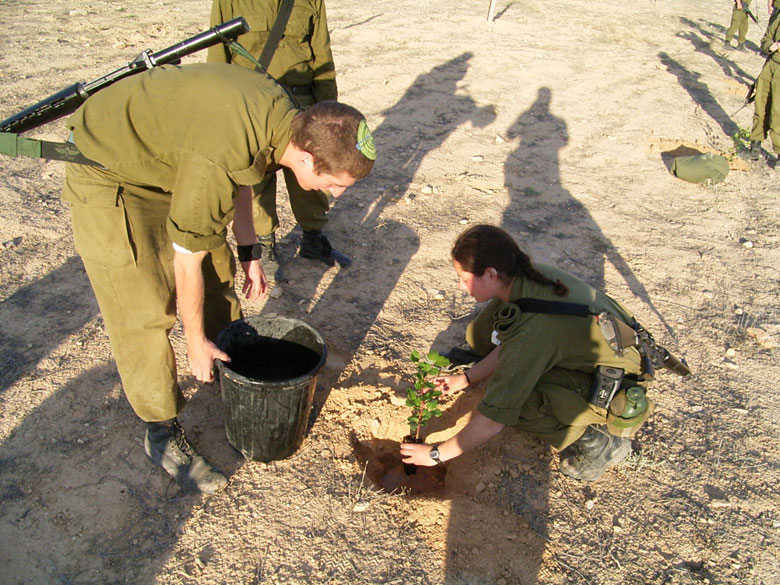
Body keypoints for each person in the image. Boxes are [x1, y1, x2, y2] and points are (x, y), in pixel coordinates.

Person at [63, 62, 375, 493]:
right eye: (335, 184)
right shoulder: (222, 150)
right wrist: (192, 338)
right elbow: (188, 252)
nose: (337, 195)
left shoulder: (287, 121)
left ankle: (227, 362)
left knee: (218, 271)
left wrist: (249, 251)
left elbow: (244, 174)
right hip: (110, 169)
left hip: (177, 159)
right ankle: (160, 431)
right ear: (307, 156)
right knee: (142, 305)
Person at [400, 225, 658, 481]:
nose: (459, 287)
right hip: (583, 349)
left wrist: (435, 454)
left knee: (516, 402)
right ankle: (517, 376)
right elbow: (517, 340)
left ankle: (598, 443)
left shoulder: (532, 334)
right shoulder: (523, 276)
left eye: (464, 278)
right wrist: (466, 378)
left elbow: (492, 420)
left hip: (613, 381)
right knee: (481, 334)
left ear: (490, 273)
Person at [207, 0, 345, 281]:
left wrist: (329, 112)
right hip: (253, 105)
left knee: (312, 172)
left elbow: (322, 57)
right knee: (256, 177)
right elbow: (217, 55)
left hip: (301, 101)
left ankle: (313, 237)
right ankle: (265, 244)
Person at [746, 14, 780, 165]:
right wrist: (771, 46)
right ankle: (755, 147)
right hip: (770, 66)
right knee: (760, 105)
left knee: (778, 112)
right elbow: (766, 39)